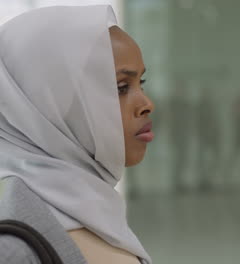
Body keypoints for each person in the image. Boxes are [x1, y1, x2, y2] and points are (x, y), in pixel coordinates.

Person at [0, 5, 154, 264]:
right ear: (52, 104)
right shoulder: (13, 245)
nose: (147, 104)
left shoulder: (96, 210)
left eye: (141, 83)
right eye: (120, 87)